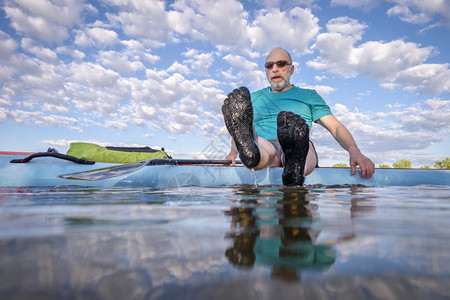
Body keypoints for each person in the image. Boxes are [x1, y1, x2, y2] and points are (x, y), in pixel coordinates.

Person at [222, 47, 375, 185]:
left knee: (304, 146)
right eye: (269, 65)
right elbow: (242, 129)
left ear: (292, 69)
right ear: (266, 71)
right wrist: (233, 152)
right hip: (265, 145)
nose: (275, 69)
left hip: (298, 142)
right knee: (259, 145)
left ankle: (295, 165)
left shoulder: (308, 96)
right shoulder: (253, 98)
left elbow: (335, 127)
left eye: (281, 64)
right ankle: (256, 158)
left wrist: (354, 150)